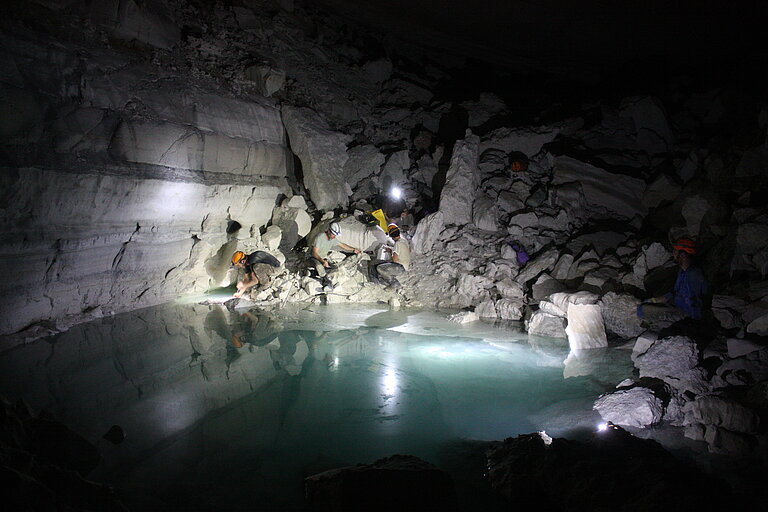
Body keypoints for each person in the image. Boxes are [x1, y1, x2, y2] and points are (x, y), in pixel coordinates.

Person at [637, 238, 708, 323]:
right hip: (677, 305)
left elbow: (694, 301)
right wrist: (655, 300)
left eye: (675, 251)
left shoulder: (693, 274)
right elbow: (675, 293)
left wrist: (692, 322)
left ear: (682, 255)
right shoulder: (682, 271)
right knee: (646, 305)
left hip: (684, 314)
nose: (673, 253)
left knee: (642, 310)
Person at [371, 225, 411, 289]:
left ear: (391, 236)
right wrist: (391, 251)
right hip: (405, 266)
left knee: (380, 267)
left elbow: (395, 260)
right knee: (380, 264)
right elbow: (405, 250)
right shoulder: (404, 241)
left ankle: (394, 283)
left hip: (400, 267)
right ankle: (381, 281)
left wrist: (387, 260)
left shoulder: (397, 244)